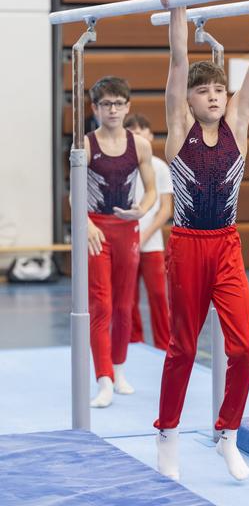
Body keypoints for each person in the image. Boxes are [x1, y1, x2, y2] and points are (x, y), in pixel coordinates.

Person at [154, 0, 249, 481]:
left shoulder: (238, 121)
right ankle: (167, 435)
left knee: (247, 350)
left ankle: (227, 434)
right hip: (188, 247)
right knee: (184, 348)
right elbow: (176, 63)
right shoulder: (177, 131)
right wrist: (177, 9)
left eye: (218, 90)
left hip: (228, 246)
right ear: (188, 102)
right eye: (203, 92)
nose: (213, 97)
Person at [85, 76, 156, 408]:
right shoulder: (85, 145)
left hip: (127, 229)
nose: (112, 110)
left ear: (128, 107)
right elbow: (75, 194)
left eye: (118, 103)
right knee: (101, 304)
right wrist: (84, 224)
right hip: (97, 230)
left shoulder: (139, 145)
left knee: (124, 304)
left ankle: (119, 368)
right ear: (95, 108)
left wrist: (140, 211)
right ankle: (103, 379)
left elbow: (152, 190)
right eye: (105, 104)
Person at [124, 113, 173, 350]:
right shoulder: (122, 167)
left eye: (142, 131)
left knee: (158, 297)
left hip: (152, 244)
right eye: (132, 132)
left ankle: (164, 345)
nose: (138, 136)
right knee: (128, 299)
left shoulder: (160, 167)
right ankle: (135, 342)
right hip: (127, 243)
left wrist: (145, 234)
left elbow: (165, 209)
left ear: (150, 136)